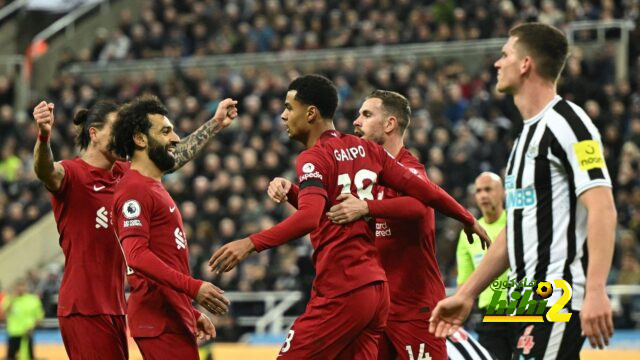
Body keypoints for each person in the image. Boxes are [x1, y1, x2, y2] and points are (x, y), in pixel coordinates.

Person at [208, 74, 490, 359]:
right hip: (378, 295)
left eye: (366, 114)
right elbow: (328, 211)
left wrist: (249, 243)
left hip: (392, 301)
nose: (356, 121)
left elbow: (420, 201)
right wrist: (294, 191)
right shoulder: (365, 157)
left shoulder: (395, 165)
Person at [429, 23, 617, 359]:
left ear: (526, 63)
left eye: (505, 55)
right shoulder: (523, 141)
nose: (497, 64)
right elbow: (515, 231)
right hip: (526, 297)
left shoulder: (568, 124)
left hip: (558, 294)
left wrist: (597, 290)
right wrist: (468, 293)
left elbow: (603, 207)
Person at [32, 95, 237, 359]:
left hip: (118, 305)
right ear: (93, 134)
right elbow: (44, 169)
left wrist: (216, 123)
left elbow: (168, 155)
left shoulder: (125, 176)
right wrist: (43, 137)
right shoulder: (72, 174)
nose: (124, 136)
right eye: (117, 130)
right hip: (84, 306)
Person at [110, 95, 232, 359]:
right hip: (158, 320)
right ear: (140, 139)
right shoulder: (134, 190)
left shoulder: (152, 186)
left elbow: (164, 261)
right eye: (166, 131)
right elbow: (137, 255)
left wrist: (189, 310)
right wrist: (193, 288)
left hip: (171, 314)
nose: (176, 138)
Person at [456, 172, 510, 359]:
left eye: (488, 189)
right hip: (491, 314)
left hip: (522, 307)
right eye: (479, 191)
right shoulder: (468, 234)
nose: (483, 195)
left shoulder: (516, 223)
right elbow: (465, 281)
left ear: (502, 192)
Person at [1, 279, 44, 360]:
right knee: (11, 357)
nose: (20, 288)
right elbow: (2, 317)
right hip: (13, 334)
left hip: (27, 334)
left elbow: (39, 317)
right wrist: (11, 301)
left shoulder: (33, 300)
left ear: (26, 287)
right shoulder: (9, 299)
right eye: (18, 286)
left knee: (28, 357)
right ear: (15, 288)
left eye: (23, 286)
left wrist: (32, 327)